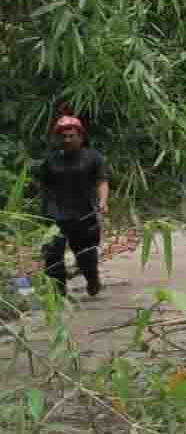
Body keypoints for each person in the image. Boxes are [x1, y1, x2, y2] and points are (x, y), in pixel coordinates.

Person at [37, 114, 108, 297]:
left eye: (71, 135)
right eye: (63, 136)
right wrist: (43, 213)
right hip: (55, 215)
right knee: (52, 257)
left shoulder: (93, 157)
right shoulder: (50, 161)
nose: (67, 139)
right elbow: (43, 187)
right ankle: (58, 294)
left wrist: (103, 202)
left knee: (86, 255)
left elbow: (102, 181)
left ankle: (92, 279)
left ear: (80, 136)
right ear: (58, 138)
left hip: (84, 214)